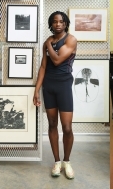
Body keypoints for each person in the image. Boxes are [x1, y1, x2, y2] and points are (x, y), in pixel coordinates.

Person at [33, 11, 77, 179]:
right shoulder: (48, 42)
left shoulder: (70, 40)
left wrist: (48, 44)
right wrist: (36, 89)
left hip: (64, 85)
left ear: (65, 24)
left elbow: (58, 60)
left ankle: (67, 161)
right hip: (49, 86)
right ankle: (57, 162)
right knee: (52, 124)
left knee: (67, 127)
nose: (58, 24)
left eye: (61, 21)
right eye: (54, 22)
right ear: (51, 24)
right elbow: (44, 67)